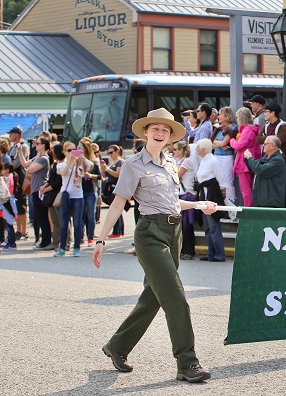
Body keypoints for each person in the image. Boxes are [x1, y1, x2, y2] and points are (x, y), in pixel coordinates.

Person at [92, 108, 217, 383]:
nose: (160, 134)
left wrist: (198, 204)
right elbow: (118, 203)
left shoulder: (171, 162)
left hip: (174, 232)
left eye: (165, 130)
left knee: (153, 297)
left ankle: (117, 346)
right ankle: (187, 362)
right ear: (146, 132)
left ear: (170, 136)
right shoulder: (133, 164)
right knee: (175, 296)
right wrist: (100, 239)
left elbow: (173, 203)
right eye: (155, 129)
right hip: (150, 233)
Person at [55, 141, 91, 257]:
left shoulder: (79, 164)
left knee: (77, 223)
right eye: (69, 150)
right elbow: (64, 172)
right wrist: (70, 159)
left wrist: (82, 157)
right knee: (64, 223)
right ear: (64, 152)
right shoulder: (60, 165)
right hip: (66, 195)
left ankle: (77, 247)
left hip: (77, 196)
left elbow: (90, 166)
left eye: (74, 150)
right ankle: (62, 247)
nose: (72, 152)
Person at [195, 139, 228, 262]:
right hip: (203, 194)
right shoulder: (203, 160)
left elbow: (220, 177)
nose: (196, 149)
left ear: (203, 148)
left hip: (211, 195)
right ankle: (211, 253)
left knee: (213, 225)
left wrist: (223, 192)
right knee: (208, 226)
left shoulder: (213, 160)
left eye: (198, 147)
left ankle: (220, 254)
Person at [18, 136, 53, 249]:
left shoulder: (43, 158)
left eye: (37, 143)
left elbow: (30, 170)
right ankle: (44, 240)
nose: (35, 145)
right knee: (39, 216)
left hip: (41, 190)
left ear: (43, 145)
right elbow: (24, 164)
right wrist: (19, 150)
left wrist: (36, 157)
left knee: (42, 216)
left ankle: (46, 241)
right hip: (35, 189)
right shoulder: (38, 157)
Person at [229, 107, 261, 207]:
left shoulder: (247, 130)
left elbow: (239, 145)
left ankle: (248, 211)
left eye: (238, 118)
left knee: (245, 190)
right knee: (249, 189)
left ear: (242, 118)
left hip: (244, 164)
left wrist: (232, 141)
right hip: (250, 162)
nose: (237, 121)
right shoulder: (252, 129)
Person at [244, 135, 286, 208]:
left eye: (265, 143)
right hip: (262, 200)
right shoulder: (266, 157)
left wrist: (250, 158)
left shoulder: (278, 160)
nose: (263, 145)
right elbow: (254, 168)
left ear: (272, 146)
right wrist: (246, 159)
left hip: (271, 202)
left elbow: (260, 170)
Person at [212, 106, 237, 205]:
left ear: (227, 116)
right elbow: (212, 142)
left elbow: (223, 143)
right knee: (218, 182)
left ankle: (231, 206)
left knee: (227, 182)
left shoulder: (233, 128)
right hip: (217, 156)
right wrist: (221, 145)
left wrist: (219, 144)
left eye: (221, 114)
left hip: (226, 158)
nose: (218, 116)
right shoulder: (218, 128)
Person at [100, 145, 124, 238]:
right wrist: (103, 168)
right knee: (113, 209)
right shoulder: (111, 163)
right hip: (109, 188)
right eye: (108, 153)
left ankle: (118, 231)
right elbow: (104, 176)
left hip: (116, 188)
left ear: (117, 151)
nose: (110, 154)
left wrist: (107, 169)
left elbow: (117, 175)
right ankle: (117, 230)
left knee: (116, 209)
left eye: (111, 152)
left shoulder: (120, 162)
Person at [79, 139, 101, 246]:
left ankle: (90, 237)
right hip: (79, 190)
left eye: (81, 147)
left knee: (91, 215)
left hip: (91, 191)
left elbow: (100, 176)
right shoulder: (76, 161)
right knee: (80, 214)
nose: (79, 149)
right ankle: (81, 236)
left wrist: (91, 176)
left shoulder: (93, 162)